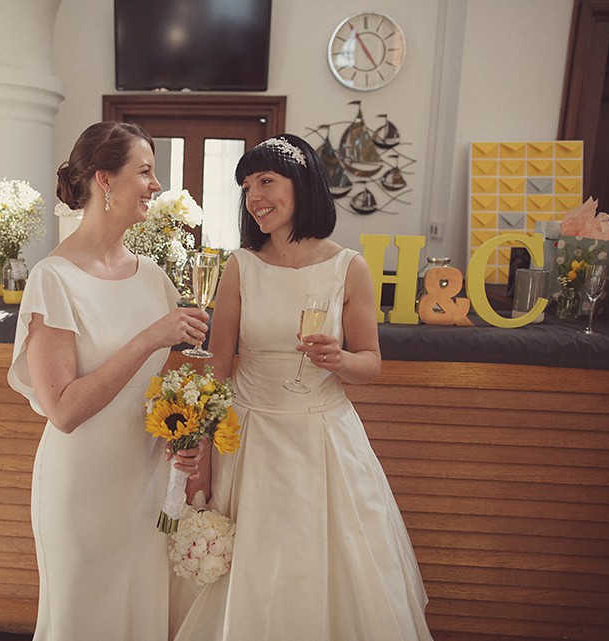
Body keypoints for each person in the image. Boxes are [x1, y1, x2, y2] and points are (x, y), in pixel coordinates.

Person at [173, 134, 433, 640]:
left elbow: (371, 364)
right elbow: (217, 367)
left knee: (316, 566)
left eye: (266, 181)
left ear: (304, 184)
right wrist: (200, 448)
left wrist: (339, 360)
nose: (254, 197)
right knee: (250, 564)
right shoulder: (240, 265)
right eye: (247, 186)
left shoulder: (349, 267)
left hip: (322, 439)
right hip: (247, 439)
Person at [7, 121, 210, 641]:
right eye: (145, 171)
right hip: (81, 490)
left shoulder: (153, 278)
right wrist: (146, 339)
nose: (156, 185)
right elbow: (64, 410)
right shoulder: (53, 280)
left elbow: (166, 391)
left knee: (140, 620)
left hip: (144, 487)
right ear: (105, 180)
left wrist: (181, 438)